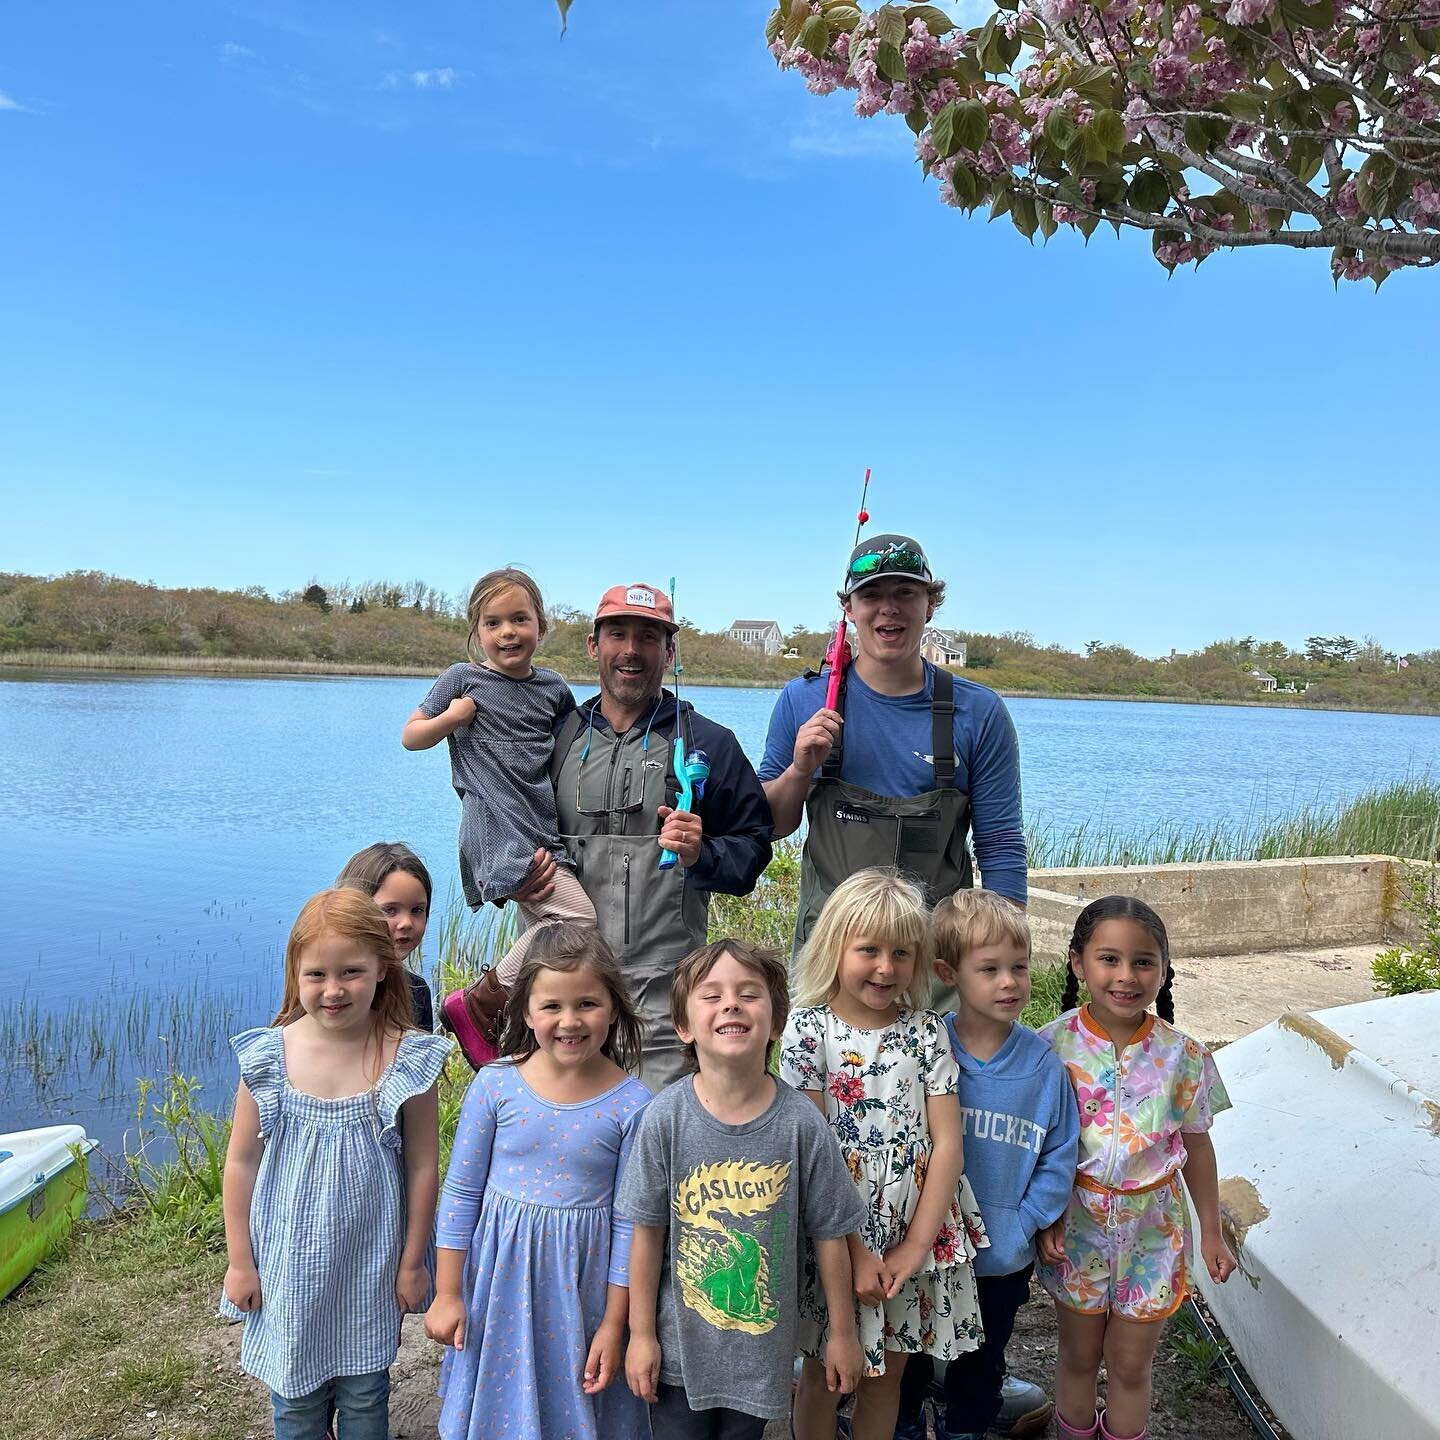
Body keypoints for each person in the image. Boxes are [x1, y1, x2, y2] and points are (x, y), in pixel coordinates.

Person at [490, 581, 773, 1091]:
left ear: (669, 651)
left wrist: (701, 852)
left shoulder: (708, 743)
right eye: (617, 633)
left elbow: (753, 851)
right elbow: (496, 815)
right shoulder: (554, 736)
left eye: (648, 637)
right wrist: (508, 879)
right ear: (593, 646)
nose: (631, 650)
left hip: (664, 1011)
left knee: (654, 1150)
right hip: (562, 1006)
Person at [220, 888, 450, 1440]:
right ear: (295, 973)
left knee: (366, 1396)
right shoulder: (270, 1056)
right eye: (316, 974)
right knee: (296, 1404)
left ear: (381, 970)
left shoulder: (407, 1057)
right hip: (288, 1267)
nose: (333, 989)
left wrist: (414, 1261)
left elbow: (422, 1168)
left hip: (370, 1267)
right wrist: (240, 1261)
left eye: (351, 971)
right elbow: (240, 1163)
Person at [617, 939, 866, 1438]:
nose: (731, 1003)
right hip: (677, 1357)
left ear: (776, 1022)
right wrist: (640, 1334)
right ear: (684, 1027)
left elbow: (830, 1238)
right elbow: (645, 1235)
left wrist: (843, 1333)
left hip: (760, 1358)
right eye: (711, 995)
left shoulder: (802, 1125)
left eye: (749, 993)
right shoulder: (663, 1119)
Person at [758, 533, 1026, 982]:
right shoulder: (803, 700)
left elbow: (1000, 845)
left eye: (906, 592)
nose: (890, 607)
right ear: (849, 608)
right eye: (872, 594)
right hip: (830, 954)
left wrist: (1006, 962)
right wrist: (801, 769)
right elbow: (772, 825)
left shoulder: (979, 713)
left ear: (930, 605)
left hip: (936, 960)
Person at [779, 869, 987, 1440]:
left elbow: (947, 1145)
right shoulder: (808, 1027)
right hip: (833, 1227)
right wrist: (853, 1251)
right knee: (825, 1373)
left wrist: (915, 1245)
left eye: (901, 953)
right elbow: (813, 1149)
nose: (885, 967)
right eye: (868, 950)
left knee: (885, 1379)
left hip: (913, 1225)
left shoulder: (925, 1031)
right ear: (834, 947)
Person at [425, 922, 651, 1440]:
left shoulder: (633, 1104)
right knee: (498, 1404)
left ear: (613, 1007)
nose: (569, 1021)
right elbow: (460, 1194)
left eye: (587, 1004)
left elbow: (630, 1224)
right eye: (552, 1006)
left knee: (574, 1396)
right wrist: (447, 1294)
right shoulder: (495, 1085)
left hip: (584, 1291)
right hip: (499, 1283)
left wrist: (615, 1326)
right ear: (525, 1011)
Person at [1038, 896, 1236, 1440]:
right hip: (1074, 1227)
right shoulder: (1045, 1049)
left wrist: (1212, 1232)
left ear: (1164, 971)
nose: (1126, 976)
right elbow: (1034, 1148)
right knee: (1078, 1357)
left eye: (1144, 962)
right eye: (1109, 959)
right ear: (1078, 964)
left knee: (1129, 1366)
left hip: (1154, 1233)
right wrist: (1042, 1216)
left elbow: (1197, 1147)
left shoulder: (1185, 1056)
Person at [894, 890, 1079, 1440]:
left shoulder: (1043, 1064)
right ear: (949, 972)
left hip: (1001, 1255)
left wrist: (1025, 1224)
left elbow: (1059, 1155)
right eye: (990, 969)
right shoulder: (927, 1047)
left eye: (1019, 968)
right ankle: (901, 1427)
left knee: (982, 1361)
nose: (1010, 983)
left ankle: (964, 1432)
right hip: (927, 1249)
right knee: (913, 1355)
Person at [401, 567, 596, 1060]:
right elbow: (411, 735)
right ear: (477, 632)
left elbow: (574, 747)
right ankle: (476, 1004)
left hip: (538, 827)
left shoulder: (552, 688)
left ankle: (513, 1032)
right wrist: (451, 719)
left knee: (545, 936)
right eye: (492, 623)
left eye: (519, 619)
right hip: (494, 826)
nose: (507, 632)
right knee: (578, 918)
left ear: (541, 626)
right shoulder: (462, 680)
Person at [336, 841, 437, 1030]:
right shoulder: (331, 991)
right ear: (354, 911)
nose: (406, 922)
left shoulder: (417, 991)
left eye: (417, 910)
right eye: (389, 910)